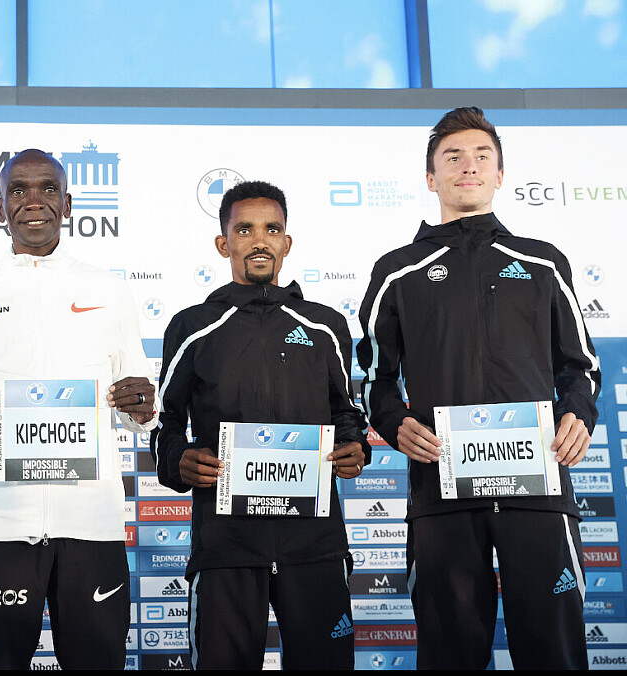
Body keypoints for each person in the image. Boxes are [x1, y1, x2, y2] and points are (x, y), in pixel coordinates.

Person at [357, 107, 598, 669]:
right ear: (430, 177)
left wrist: (578, 414)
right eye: (453, 157)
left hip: (538, 487)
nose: (468, 166)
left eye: (481, 156)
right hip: (441, 489)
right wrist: (395, 423)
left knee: (555, 651)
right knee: (450, 654)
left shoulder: (542, 262)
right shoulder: (397, 271)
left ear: (499, 174)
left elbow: (580, 365)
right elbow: (373, 378)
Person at [0, 149, 157, 670]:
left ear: (68, 204)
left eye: (48, 188)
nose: (34, 201)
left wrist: (144, 407)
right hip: (0, 522)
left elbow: (140, 405)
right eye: (18, 190)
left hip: (91, 522)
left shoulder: (110, 290)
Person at [151, 180, 369, 670]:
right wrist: (178, 461)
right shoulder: (192, 326)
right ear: (223, 243)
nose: (259, 240)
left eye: (272, 229)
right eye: (244, 229)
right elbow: (166, 424)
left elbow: (346, 414)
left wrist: (355, 446)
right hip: (225, 547)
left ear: (286, 243)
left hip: (314, 544)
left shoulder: (326, 325)